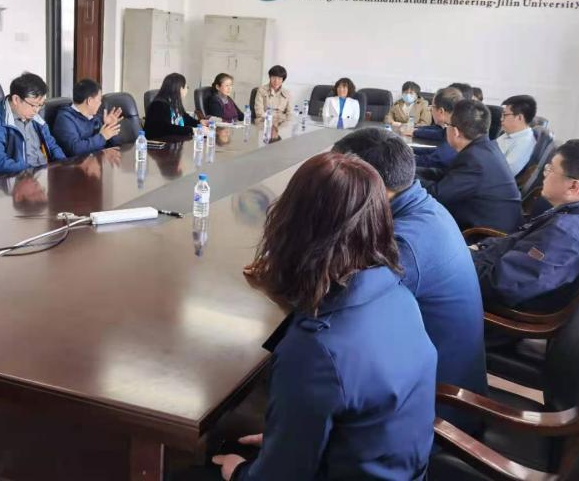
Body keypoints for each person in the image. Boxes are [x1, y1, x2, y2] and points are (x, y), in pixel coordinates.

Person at [212, 152, 436, 481]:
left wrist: (241, 472)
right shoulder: (396, 294)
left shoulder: (316, 348)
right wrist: (289, 436)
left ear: (291, 222)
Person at [333, 128, 486, 432]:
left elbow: (339, 301)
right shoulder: (421, 207)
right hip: (421, 377)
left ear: (369, 182)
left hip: (433, 410)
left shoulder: (407, 243)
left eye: (338, 178)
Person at [472, 139, 579, 312]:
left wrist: (460, 261)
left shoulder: (565, 233)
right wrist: (479, 248)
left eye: (551, 169)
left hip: (487, 304)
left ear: (573, 186)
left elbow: (500, 285)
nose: (545, 174)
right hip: (488, 266)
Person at [419, 99, 522, 232]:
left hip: (485, 235)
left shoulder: (474, 160)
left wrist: (408, 180)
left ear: (455, 132)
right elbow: (446, 175)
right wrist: (414, 172)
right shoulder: (483, 148)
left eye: (447, 125)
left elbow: (437, 195)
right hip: (482, 221)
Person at [0, 72, 66, 175]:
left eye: (40, 105)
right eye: (33, 105)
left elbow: (52, 146)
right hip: (20, 177)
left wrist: (64, 165)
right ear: (16, 99)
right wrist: (30, 171)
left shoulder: (35, 118)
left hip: (44, 174)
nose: (37, 110)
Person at [51, 78, 122, 157]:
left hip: (97, 161)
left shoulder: (95, 116)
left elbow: (117, 145)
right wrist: (102, 137)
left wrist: (109, 126)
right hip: (76, 164)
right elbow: (75, 149)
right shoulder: (65, 119)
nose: (100, 103)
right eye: (99, 100)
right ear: (89, 101)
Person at [144, 73, 206, 139]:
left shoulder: (174, 102)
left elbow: (185, 118)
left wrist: (199, 123)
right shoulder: (158, 105)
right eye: (186, 87)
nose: (187, 90)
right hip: (160, 142)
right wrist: (192, 130)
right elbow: (166, 128)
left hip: (174, 140)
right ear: (180, 89)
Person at [413, 86, 461, 171]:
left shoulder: (456, 131)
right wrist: (411, 150)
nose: (430, 109)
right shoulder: (455, 124)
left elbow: (436, 159)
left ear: (441, 111)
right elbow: (437, 150)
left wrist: (404, 159)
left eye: (432, 107)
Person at [496, 94, 537, 176]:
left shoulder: (525, 142)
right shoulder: (509, 134)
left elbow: (504, 174)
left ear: (519, 117)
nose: (501, 119)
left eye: (505, 115)